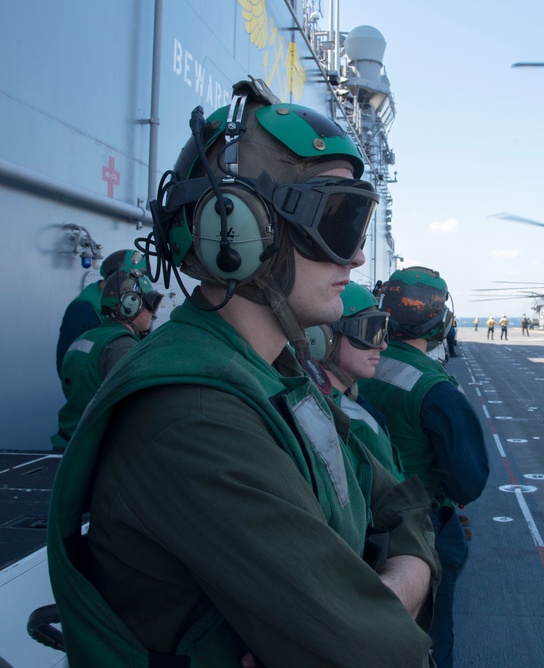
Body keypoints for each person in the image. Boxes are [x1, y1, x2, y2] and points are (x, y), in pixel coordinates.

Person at [48, 79, 436, 666]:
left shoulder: (279, 373)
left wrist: (388, 588)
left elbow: (404, 504)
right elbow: (375, 650)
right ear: (241, 232)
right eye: (340, 219)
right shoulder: (194, 416)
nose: (357, 256)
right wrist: (395, 590)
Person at [359, 266, 490, 668]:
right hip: (419, 528)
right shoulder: (436, 390)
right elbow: (469, 482)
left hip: (358, 518)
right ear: (441, 322)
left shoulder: (357, 360)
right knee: (432, 641)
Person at [51, 268, 162, 452]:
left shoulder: (88, 337)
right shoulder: (122, 346)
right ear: (131, 304)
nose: (153, 312)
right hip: (93, 449)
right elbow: (135, 408)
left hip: (69, 442)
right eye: (151, 303)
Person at [304, 282, 405, 481]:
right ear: (323, 337)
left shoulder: (332, 400)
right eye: (370, 332)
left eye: (382, 331)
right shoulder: (355, 423)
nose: (383, 345)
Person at [55, 248, 147, 376]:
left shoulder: (119, 305)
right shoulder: (82, 311)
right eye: (132, 282)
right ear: (118, 278)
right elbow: (68, 365)